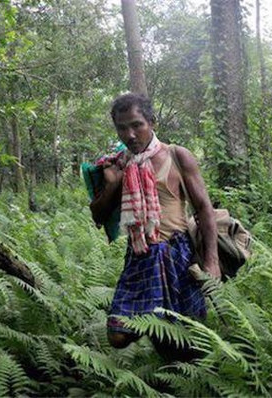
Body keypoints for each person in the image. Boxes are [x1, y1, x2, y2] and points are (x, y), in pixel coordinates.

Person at [90, 93, 220, 357]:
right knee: (118, 334)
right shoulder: (116, 164)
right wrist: (115, 183)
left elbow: (204, 209)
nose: (130, 134)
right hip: (141, 256)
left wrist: (212, 261)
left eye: (137, 124)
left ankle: (183, 379)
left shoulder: (177, 156)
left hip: (177, 253)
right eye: (122, 127)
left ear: (152, 122)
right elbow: (98, 215)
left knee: (187, 333)